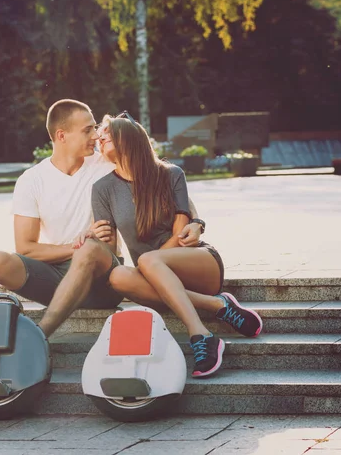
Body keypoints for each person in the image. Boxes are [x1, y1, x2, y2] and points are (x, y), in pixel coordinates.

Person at [0, 99, 204, 380]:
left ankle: (38, 339)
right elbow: (26, 248)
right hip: (57, 275)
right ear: (61, 136)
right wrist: (76, 244)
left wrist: (194, 218)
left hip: (103, 276)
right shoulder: (32, 180)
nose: (96, 136)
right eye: (88, 130)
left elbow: (161, 177)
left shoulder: (105, 161)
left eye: (97, 128)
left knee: (92, 249)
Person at [89, 112, 263, 378]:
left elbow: (182, 230)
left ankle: (200, 334)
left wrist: (152, 261)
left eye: (106, 137)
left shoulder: (170, 174)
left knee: (147, 260)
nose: (99, 142)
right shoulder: (102, 189)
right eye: (99, 139)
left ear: (128, 138)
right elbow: (113, 252)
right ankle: (218, 307)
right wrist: (95, 238)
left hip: (196, 262)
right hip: (156, 278)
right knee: (117, 275)